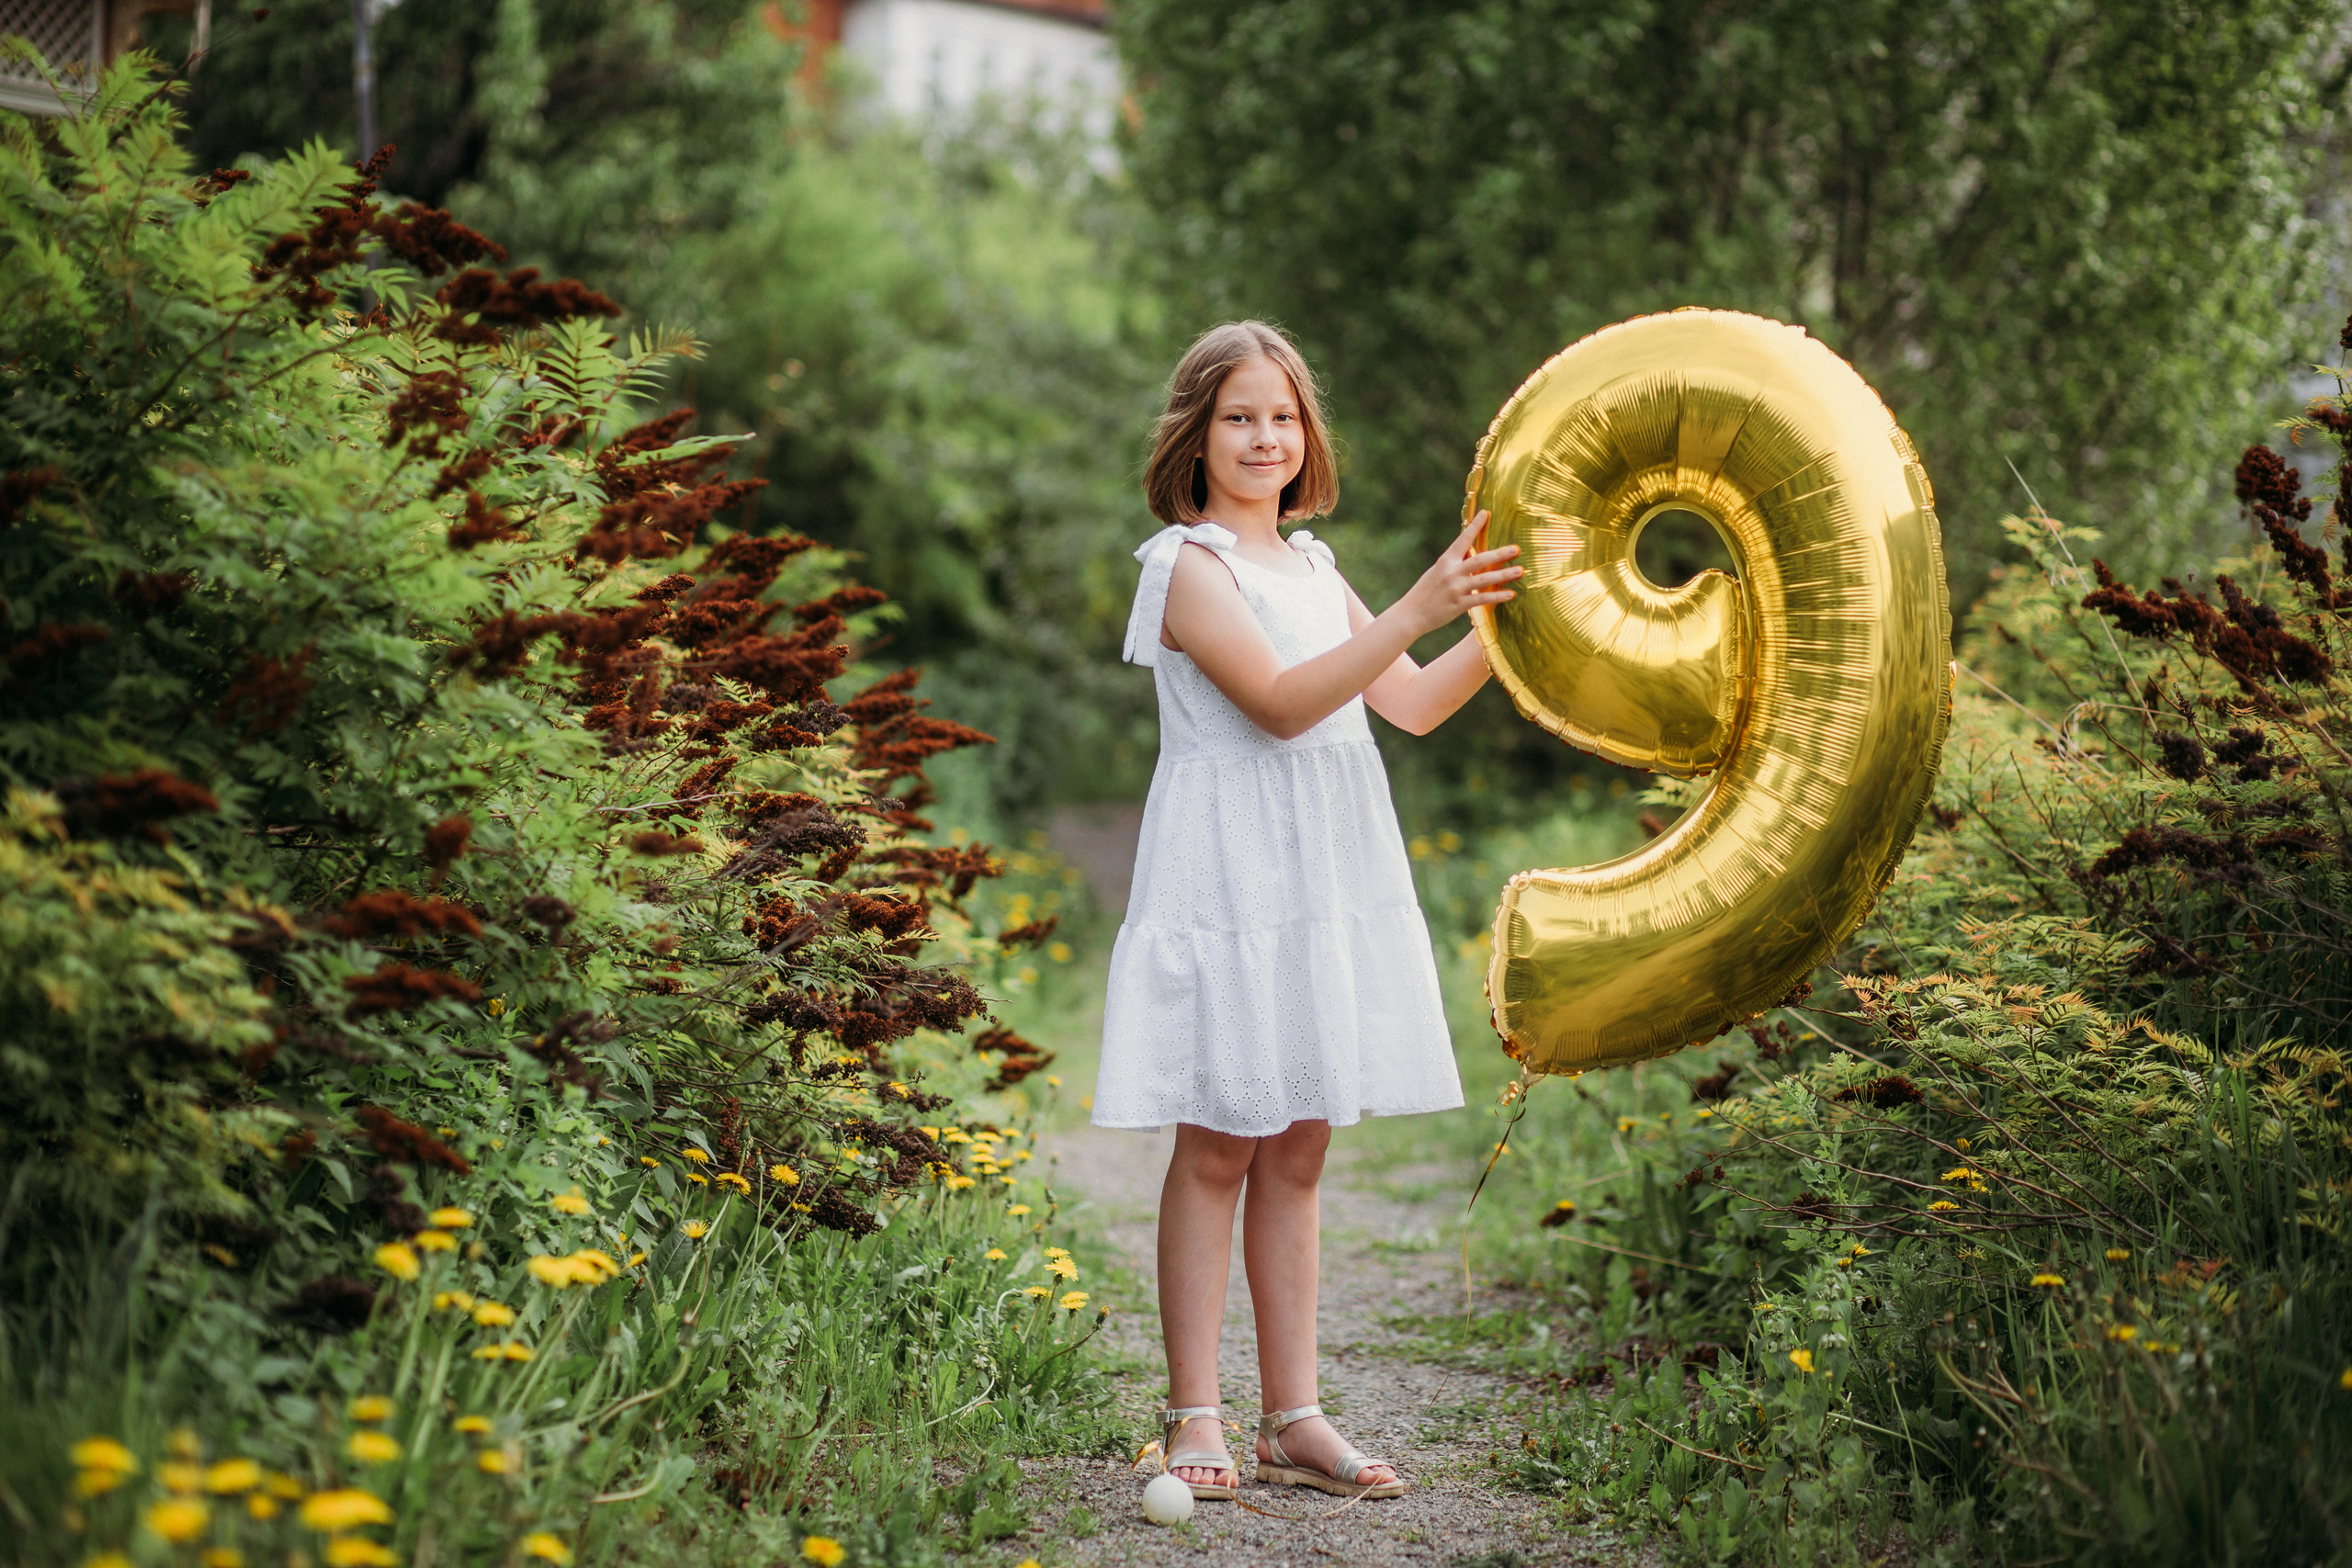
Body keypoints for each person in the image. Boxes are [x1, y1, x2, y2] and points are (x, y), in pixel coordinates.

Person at [1091, 320, 1521, 1500]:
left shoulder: (1318, 570)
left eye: (1281, 415)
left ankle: (1295, 1416)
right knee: (1221, 1137)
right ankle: (1196, 1415)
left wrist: (1509, 622)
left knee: (1302, 1139)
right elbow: (1282, 706)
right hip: (1230, 875)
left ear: (1305, 434)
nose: (1263, 436)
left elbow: (1418, 703)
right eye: (1238, 416)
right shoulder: (1186, 566)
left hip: (1325, 873)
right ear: (1196, 432)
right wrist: (1422, 600)